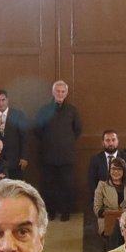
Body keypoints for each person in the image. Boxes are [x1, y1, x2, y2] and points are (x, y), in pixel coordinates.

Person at [34, 80, 83, 221]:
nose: (60, 94)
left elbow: (77, 130)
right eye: (58, 91)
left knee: (66, 185)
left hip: (66, 156)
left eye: (62, 91)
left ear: (66, 93)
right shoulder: (44, 110)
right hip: (48, 155)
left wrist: (65, 141)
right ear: (53, 92)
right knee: (49, 186)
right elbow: (38, 130)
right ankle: (50, 211)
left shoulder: (72, 110)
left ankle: (66, 211)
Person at [0, 89, 29, 179]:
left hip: (15, 159)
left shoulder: (18, 115)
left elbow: (24, 137)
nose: (1, 103)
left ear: (7, 100)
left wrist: (24, 157)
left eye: (3, 100)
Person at [94, 157, 126, 236]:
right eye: (113, 169)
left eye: (119, 169)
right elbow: (97, 209)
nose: (116, 171)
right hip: (107, 221)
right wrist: (111, 214)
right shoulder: (102, 185)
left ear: (124, 171)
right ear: (109, 171)